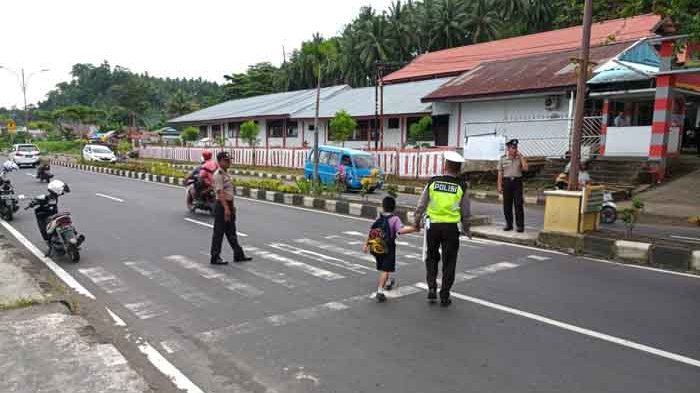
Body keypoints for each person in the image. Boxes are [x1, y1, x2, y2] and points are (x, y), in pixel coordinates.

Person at [414, 151, 471, 307]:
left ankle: (432, 287)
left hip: (432, 226)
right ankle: (444, 294)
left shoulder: (433, 182)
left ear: (445, 165)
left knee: (431, 256)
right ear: (458, 169)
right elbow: (465, 211)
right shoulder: (461, 186)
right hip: (451, 228)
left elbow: (421, 204)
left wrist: (416, 220)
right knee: (449, 261)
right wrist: (467, 229)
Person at [363, 196, 416, 302]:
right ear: (394, 208)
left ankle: (387, 283)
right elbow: (401, 231)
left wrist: (366, 245)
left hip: (375, 248)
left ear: (383, 207)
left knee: (383, 267)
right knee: (385, 269)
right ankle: (380, 291)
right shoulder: (395, 219)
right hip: (388, 248)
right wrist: (414, 228)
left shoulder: (379, 218)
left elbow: (371, 231)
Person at [210, 151, 252, 265]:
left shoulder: (226, 174)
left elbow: (230, 193)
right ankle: (215, 257)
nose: (229, 162)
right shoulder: (218, 174)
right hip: (221, 205)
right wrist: (226, 209)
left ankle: (238, 254)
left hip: (228, 204)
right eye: (226, 160)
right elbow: (220, 193)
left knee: (231, 232)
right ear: (219, 162)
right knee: (219, 232)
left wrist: (232, 207)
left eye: (229, 160)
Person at [498, 139, 528, 232]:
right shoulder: (503, 158)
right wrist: (499, 185)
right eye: (512, 148)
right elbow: (500, 173)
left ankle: (520, 226)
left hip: (517, 182)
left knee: (518, 204)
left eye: (516, 148)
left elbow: (526, 169)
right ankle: (509, 224)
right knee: (507, 205)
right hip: (507, 182)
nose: (514, 150)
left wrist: (521, 157)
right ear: (508, 148)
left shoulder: (520, 158)